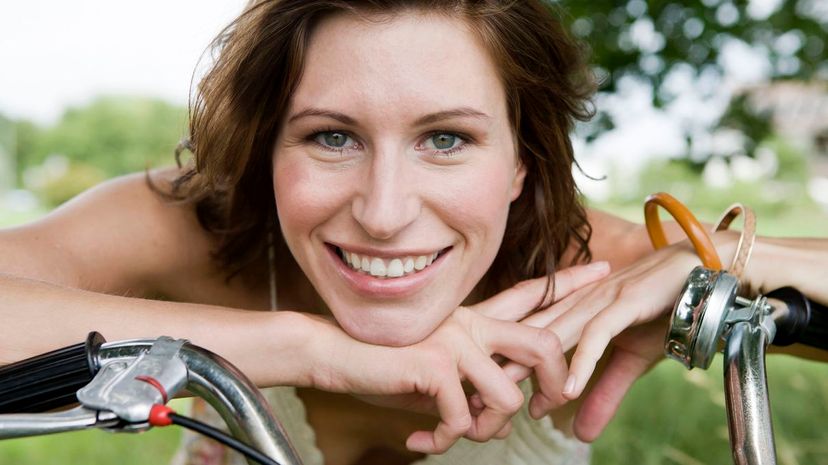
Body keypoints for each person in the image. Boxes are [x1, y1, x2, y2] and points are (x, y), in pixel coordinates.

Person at [0, 1, 825, 464]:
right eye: (331, 135)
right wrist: (304, 346)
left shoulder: (580, 268)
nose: (385, 210)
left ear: (521, 165)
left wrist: (727, 260)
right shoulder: (192, 227)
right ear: (264, 151)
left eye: (446, 139)